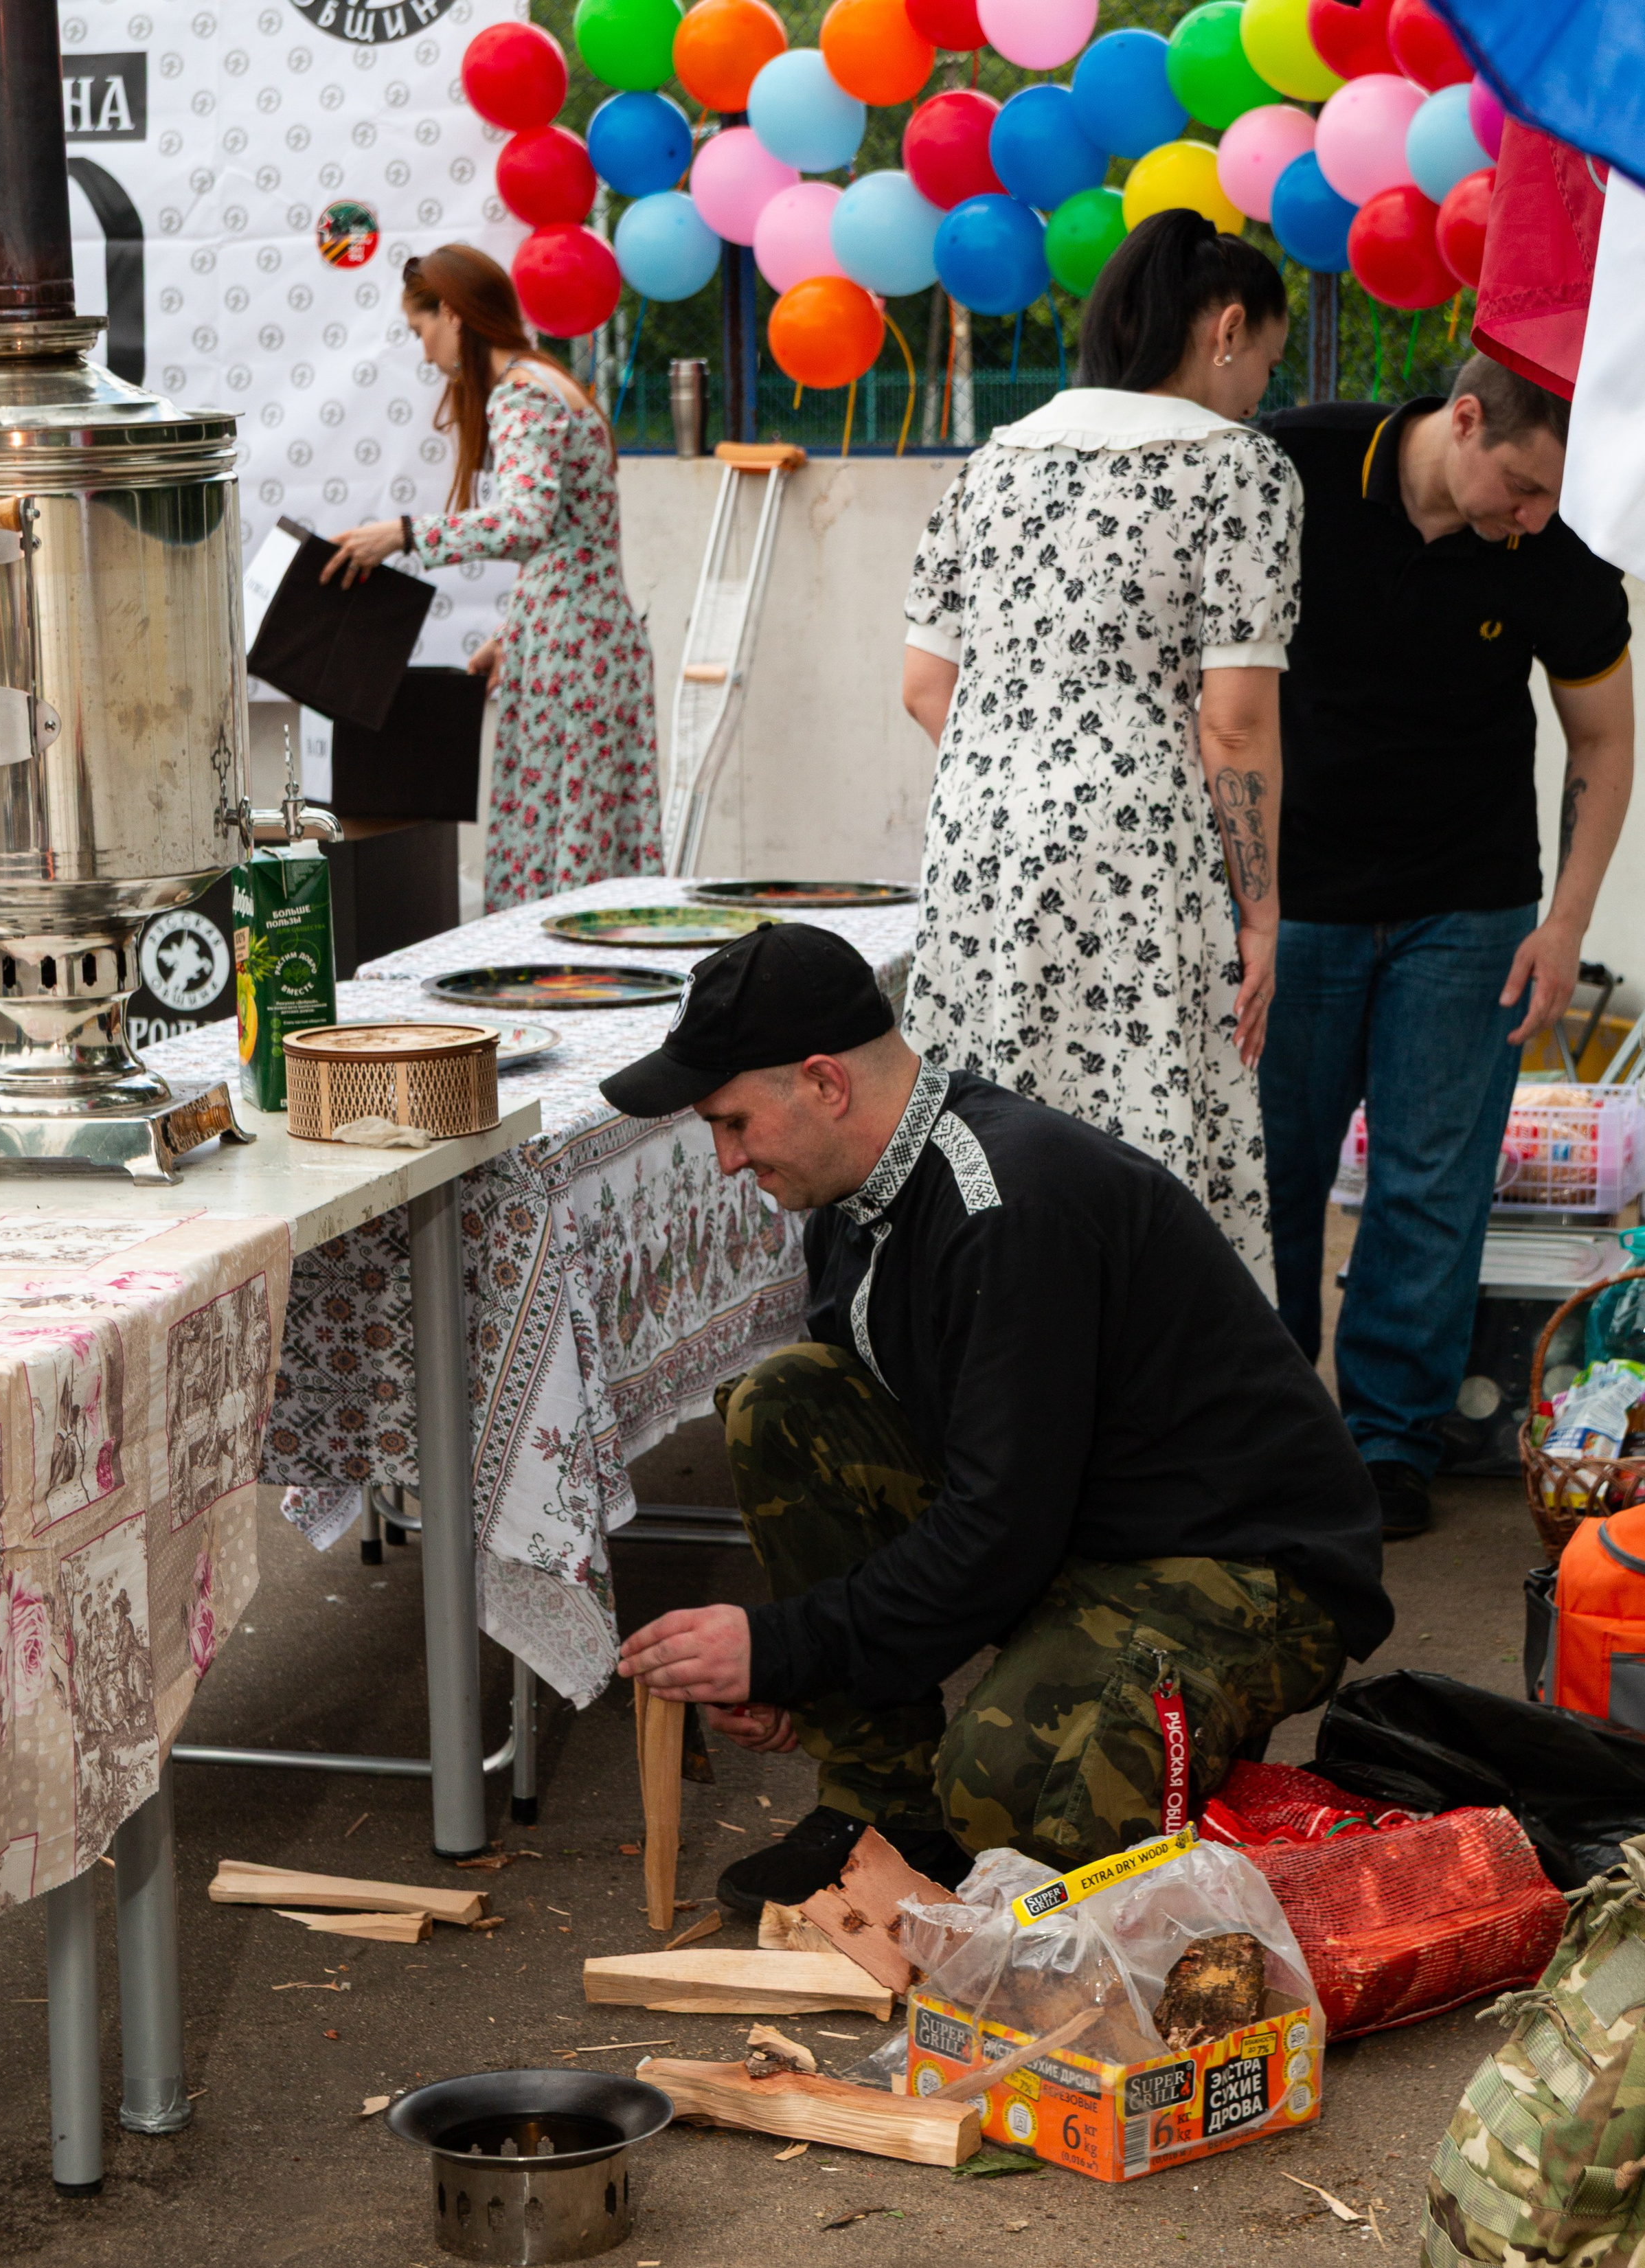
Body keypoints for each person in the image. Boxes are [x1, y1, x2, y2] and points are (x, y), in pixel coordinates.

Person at [602, 925, 1392, 1911]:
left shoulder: (1007, 1205)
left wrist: (783, 1645)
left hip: (1239, 1563)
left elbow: (996, 1531)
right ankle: (883, 1807)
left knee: (1010, 1801)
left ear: (824, 1084)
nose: (725, 1159)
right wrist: (799, 1666)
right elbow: (933, 1485)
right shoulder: (857, 1195)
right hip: (1073, 1526)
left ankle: (1177, 1722)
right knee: (785, 1404)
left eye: (732, 1122)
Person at [1259, 356, 1635, 1539]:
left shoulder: (1560, 546)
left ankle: (1388, 1446)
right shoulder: (1293, 465)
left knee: (1432, 1186)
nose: (1532, 518)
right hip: (1294, 904)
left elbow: (1604, 741)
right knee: (1270, 1173)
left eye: (1551, 503)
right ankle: (1262, 1433)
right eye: (1520, 488)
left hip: (1467, 910)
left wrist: (1565, 923)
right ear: (1463, 420)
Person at [898, 209, 1302, 1292]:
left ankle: (998, 1397)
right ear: (1226, 331)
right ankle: (1153, 1425)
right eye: (1266, 358)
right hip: (1136, 852)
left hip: (977, 843)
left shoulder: (992, 461)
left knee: (992, 1135)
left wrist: (1029, 766)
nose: (1263, 386)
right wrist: (1258, 909)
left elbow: (924, 685)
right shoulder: (1237, 469)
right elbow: (1234, 723)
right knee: (1144, 1135)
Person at [321, 244, 661, 909]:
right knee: (586, 853)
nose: (424, 354)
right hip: (583, 643)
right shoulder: (547, 382)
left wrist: (405, 534)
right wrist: (515, 633)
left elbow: (528, 521)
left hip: (573, 658)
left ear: (451, 314)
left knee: (560, 872)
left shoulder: (521, 395)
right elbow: (568, 540)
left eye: (421, 331)